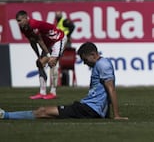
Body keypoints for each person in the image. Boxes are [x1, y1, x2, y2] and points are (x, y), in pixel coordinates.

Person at [0, 42, 128, 120]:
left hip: (89, 109)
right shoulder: (100, 65)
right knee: (45, 113)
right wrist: (105, 113)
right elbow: (104, 93)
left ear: (93, 55)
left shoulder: (103, 65)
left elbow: (111, 89)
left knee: (43, 111)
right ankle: (6, 115)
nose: (84, 63)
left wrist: (116, 115)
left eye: (85, 59)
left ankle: (5, 115)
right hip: (88, 108)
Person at [16, 10, 67, 100]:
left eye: (20, 20)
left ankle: (53, 92)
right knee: (39, 63)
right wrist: (38, 56)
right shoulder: (23, 28)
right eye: (17, 21)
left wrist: (47, 55)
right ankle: (42, 92)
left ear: (25, 18)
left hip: (58, 39)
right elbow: (32, 42)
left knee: (52, 63)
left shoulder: (33, 25)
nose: (18, 23)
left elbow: (39, 41)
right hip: (48, 43)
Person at [55, 11, 76, 86]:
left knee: (66, 62)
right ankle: (64, 82)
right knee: (62, 63)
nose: (56, 17)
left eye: (58, 15)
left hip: (66, 43)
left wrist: (67, 35)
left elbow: (72, 26)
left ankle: (66, 82)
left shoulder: (64, 21)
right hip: (61, 42)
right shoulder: (59, 23)